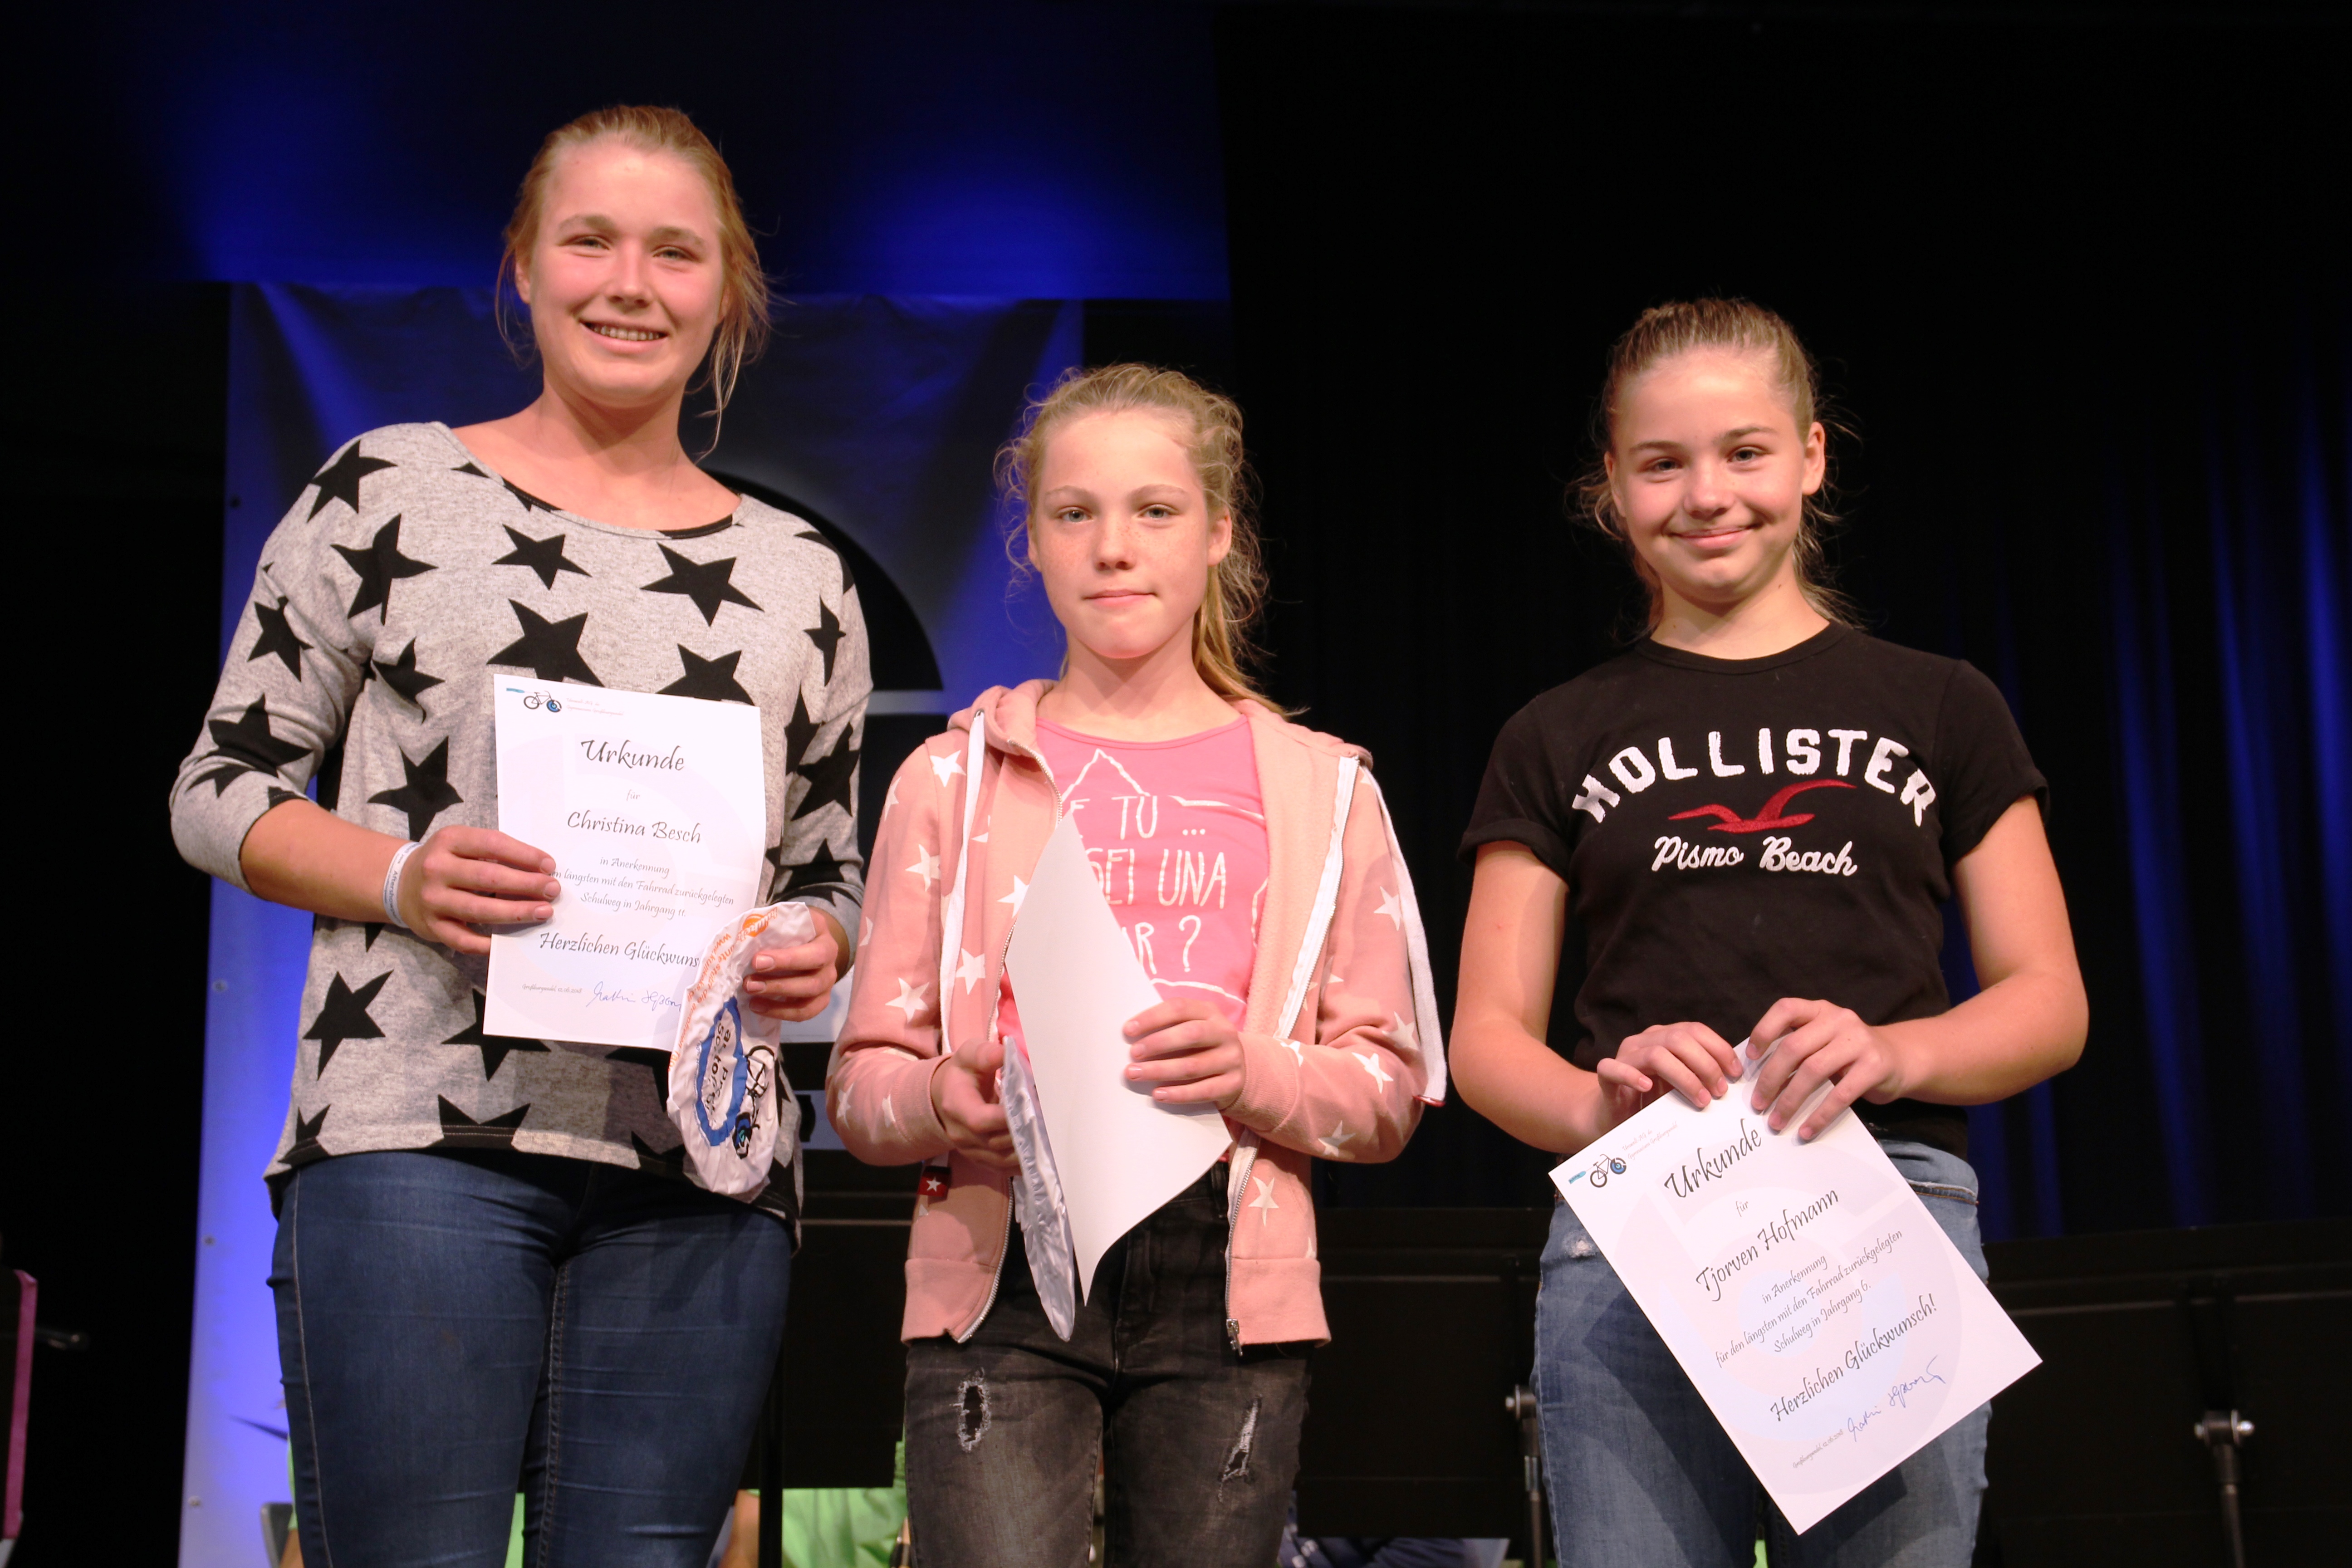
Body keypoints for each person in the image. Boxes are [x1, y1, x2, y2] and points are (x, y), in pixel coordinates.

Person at [170, 105, 868, 1568]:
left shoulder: (802, 577)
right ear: (525, 266)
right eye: (590, 241)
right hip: (415, 1135)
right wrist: (403, 877)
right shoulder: (386, 491)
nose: (631, 284)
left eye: (675, 252)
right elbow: (219, 789)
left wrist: (818, 944)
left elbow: (825, 869)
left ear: (727, 289)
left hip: (700, 1173)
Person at [1450, 299, 2087, 1568]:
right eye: (1662, 462)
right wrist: (1599, 1108)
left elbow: (2049, 1000)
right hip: (1640, 1227)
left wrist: (1895, 1052)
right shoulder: (1553, 733)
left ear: (1812, 457)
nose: (1707, 495)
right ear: (1611, 486)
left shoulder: (1942, 704)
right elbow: (1484, 1039)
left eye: (1744, 452)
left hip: (1884, 1206)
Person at [826, 364, 1445, 1568]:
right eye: (1076, 513)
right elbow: (860, 1086)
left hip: (1230, 1274)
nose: (1114, 547)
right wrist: (950, 1097)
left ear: (1219, 534)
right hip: (1000, 1262)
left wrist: (1252, 1071)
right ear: (1033, 542)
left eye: (1156, 511)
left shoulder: (1324, 790)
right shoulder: (950, 780)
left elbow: (1389, 1089)